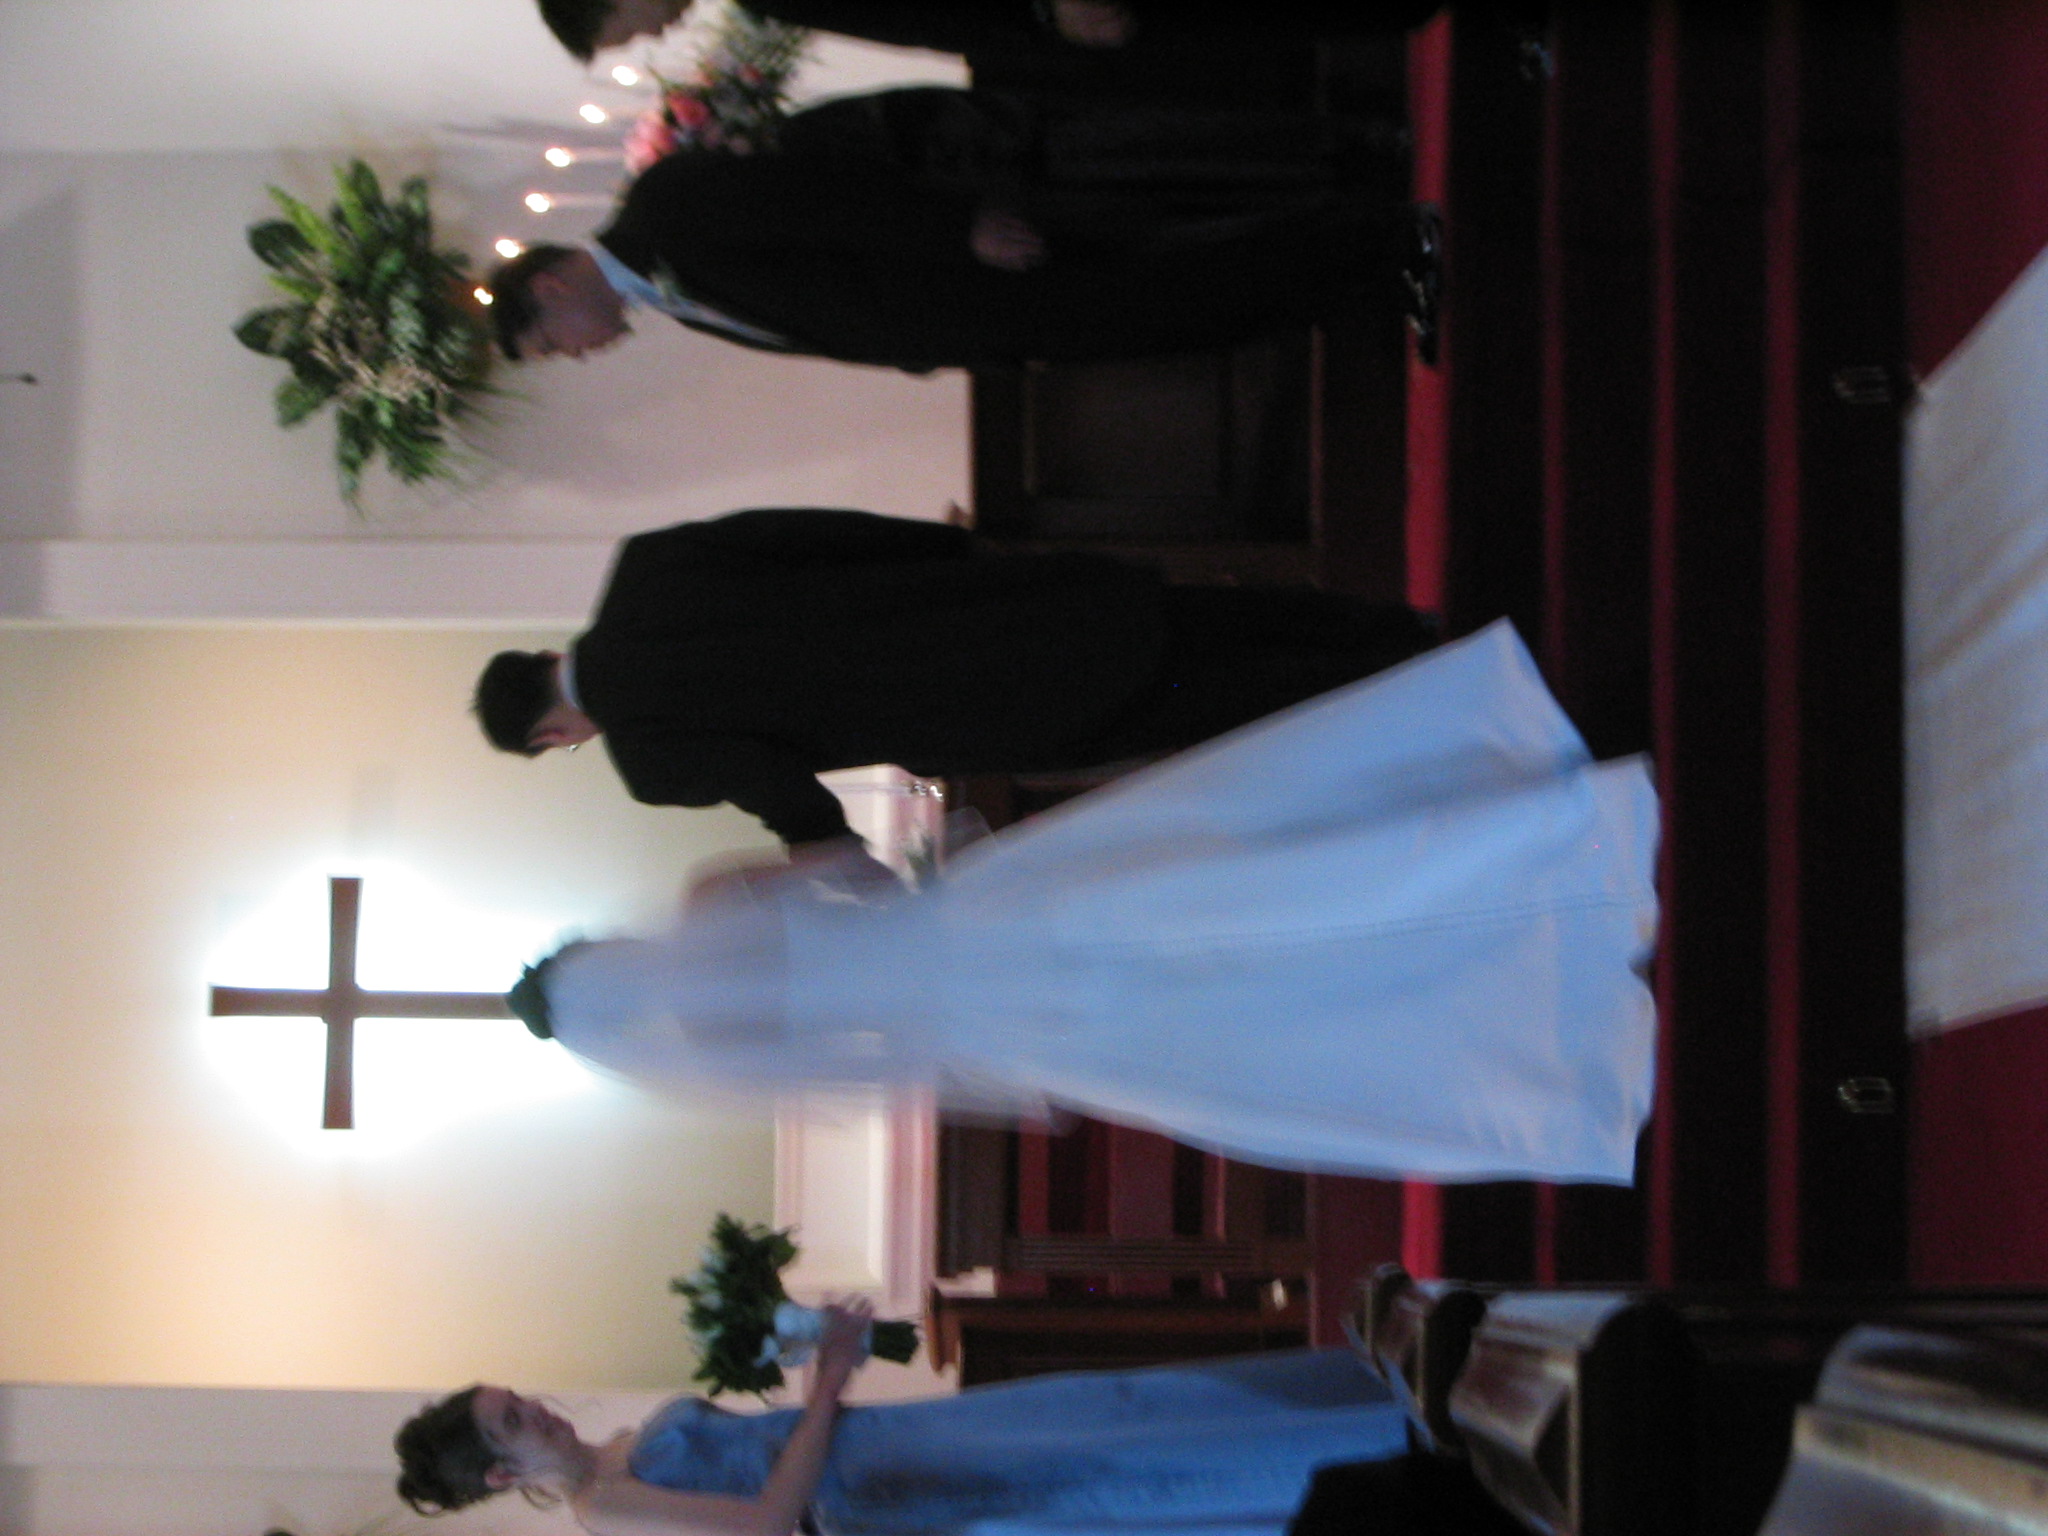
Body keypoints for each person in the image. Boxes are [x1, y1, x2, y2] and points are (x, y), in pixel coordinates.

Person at [508, 621, 1661, 1184]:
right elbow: (855, 874)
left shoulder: (717, 1051)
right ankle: (1536, 846)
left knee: (1252, 1032)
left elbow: (871, 1067)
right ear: (600, 952)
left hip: (1000, 1027)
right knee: (1239, 880)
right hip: (988, 919)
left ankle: (1538, 1019)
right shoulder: (707, 901)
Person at [472, 507, 1437, 851]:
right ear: (543, 656)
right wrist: (950, 551)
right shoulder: (645, 566)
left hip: (978, 706)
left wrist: (813, 842)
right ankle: (1406, 631)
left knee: (1208, 695)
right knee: (1204, 615)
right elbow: (813, 532)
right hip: (968, 606)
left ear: (550, 735)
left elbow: (777, 785)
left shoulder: (647, 761)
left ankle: (1403, 684)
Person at [485, 86, 1418, 372]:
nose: (576, 354)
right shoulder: (671, 297)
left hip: (974, 263)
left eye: (551, 343)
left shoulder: (664, 208)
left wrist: (959, 230)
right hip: (978, 316)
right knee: (1181, 308)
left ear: (552, 286)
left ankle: (1377, 241)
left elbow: (823, 202)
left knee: (1182, 266)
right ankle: (1368, 273)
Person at [395, 1302, 1407, 1536]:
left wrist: (805, 1351)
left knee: (1115, 1413)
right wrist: (827, 1386)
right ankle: (1389, 1453)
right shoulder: (605, 1504)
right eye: (512, 1423)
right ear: (502, 1474)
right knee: (1119, 1478)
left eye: (513, 1398)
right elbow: (769, 1519)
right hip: (898, 1492)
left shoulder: (620, 1450)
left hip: (901, 1446)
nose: (535, 1408)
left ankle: (1383, 1396)